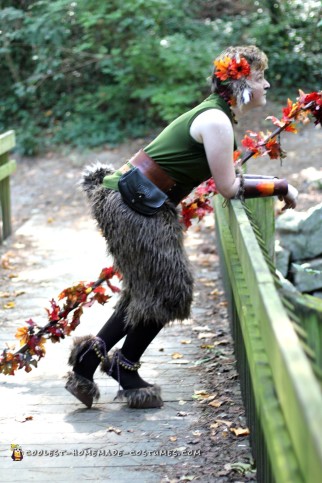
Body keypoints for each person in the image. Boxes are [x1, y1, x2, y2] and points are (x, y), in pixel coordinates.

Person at [65, 45, 298, 409]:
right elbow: (229, 188)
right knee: (171, 291)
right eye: (259, 78)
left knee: (148, 291)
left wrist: (274, 183)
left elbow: (228, 178)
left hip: (134, 201)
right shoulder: (216, 121)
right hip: (134, 205)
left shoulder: (218, 116)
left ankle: (93, 362)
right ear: (240, 84)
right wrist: (280, 186)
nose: (266, 85)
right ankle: (119, 367)